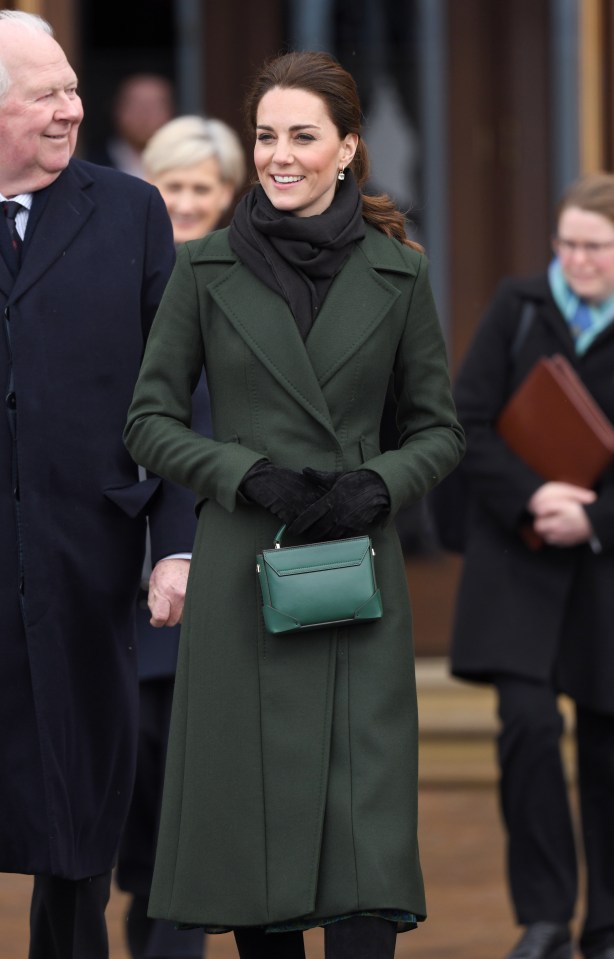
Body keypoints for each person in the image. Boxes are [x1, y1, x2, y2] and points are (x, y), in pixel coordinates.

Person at [124, 49, 464, 959]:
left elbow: (440, 430)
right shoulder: (201, 269)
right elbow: (148, 421)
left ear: (348, 149)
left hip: (357, 580)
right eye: (266, 135)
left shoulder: (400, 274)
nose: (280, 154)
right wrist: (242, 473)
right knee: (256, 863)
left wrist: (376, 482)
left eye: (303, 136)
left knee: (365, 858)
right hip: (244, 577)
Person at [0, 11, 196, 959]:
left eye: (74, 88)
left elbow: (176, 398)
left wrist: (179, 543)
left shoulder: (130, 210)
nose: (73, 109)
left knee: (78, 828)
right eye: (47, 94)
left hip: (88, 570)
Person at [449, 172, 614, 959]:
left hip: (603, 569)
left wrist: (592, 514)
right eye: (567, 243)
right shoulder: (517, 309)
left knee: (609, 748)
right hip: (517, 560)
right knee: (529, 727)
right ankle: (544, 915)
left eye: (595, 247)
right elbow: (466, 422)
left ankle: (607, 924)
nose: (577, 260)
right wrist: (534, 495)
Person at [115, 114, 246, 959]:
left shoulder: (243, 287)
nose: (189, 202)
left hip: (214, 564)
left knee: (195, 798)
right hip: (117, 570)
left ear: (229, 196)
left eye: (204, 188)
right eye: (173, 186)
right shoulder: (112, 277)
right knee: (134, 791)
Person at [141, 114, 247, 242]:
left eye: (201, 190)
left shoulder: (252, 260)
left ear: (226, 193)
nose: (185, 207)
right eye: (174, 187)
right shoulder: (117, 255)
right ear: (148, 182)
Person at [85, 72, 176, 178]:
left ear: (172, 111)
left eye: (155, 107)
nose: (144, 115)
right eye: (136, 105)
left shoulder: (184, 162)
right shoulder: (91, 163)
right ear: (116, 109)